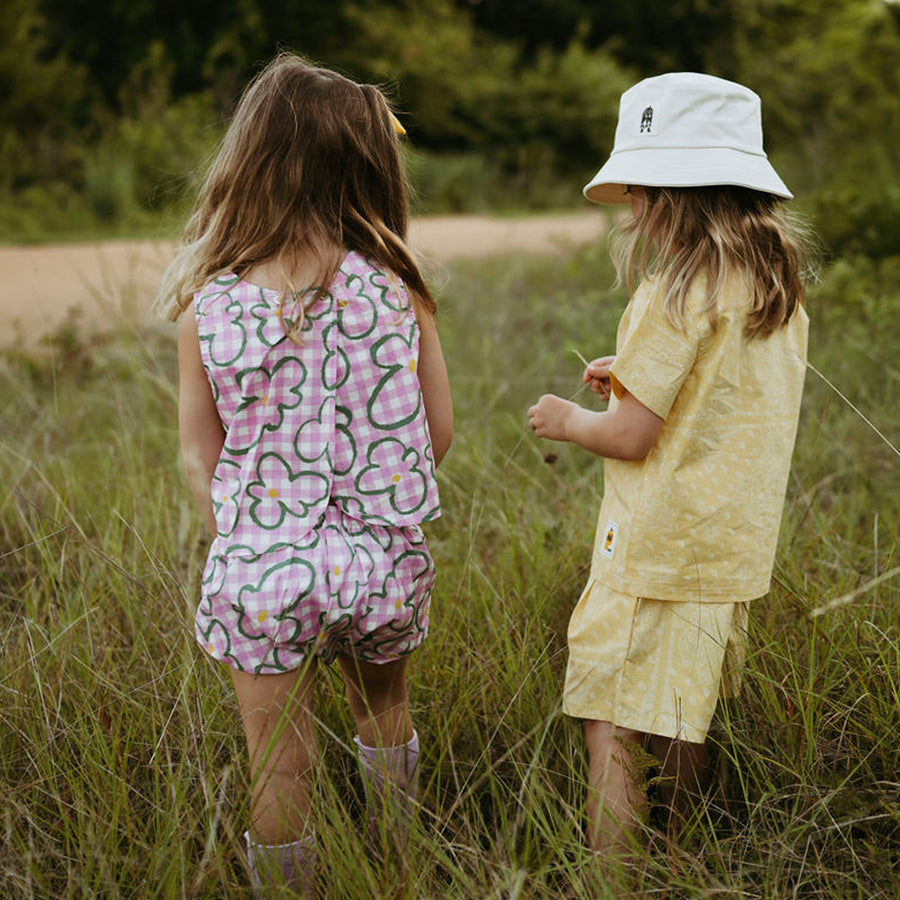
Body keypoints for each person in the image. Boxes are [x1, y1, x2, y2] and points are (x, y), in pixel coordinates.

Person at [158, 52, 453, 896]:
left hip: (261, 562)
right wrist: (372, 509)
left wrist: (247, 537)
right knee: (383, 712)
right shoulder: (400, 291)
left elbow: (195, 450)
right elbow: (438, 430)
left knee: (277, 765)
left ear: (248, 161)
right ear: (369, 165)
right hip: (381, 556)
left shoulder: (207, 306)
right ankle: (396, 866)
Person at [527, 73, 810, 857]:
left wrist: (569, 420)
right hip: (727, 554)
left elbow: (629, 437)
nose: (635, 209)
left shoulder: (673, 289)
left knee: (610, 726)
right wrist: (634, 367)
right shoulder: (770, 288)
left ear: (665, 194)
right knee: (685, 718)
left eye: (640, 191)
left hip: (653, 554)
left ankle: (612, 877)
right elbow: (714, 390)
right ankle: (679, 858)